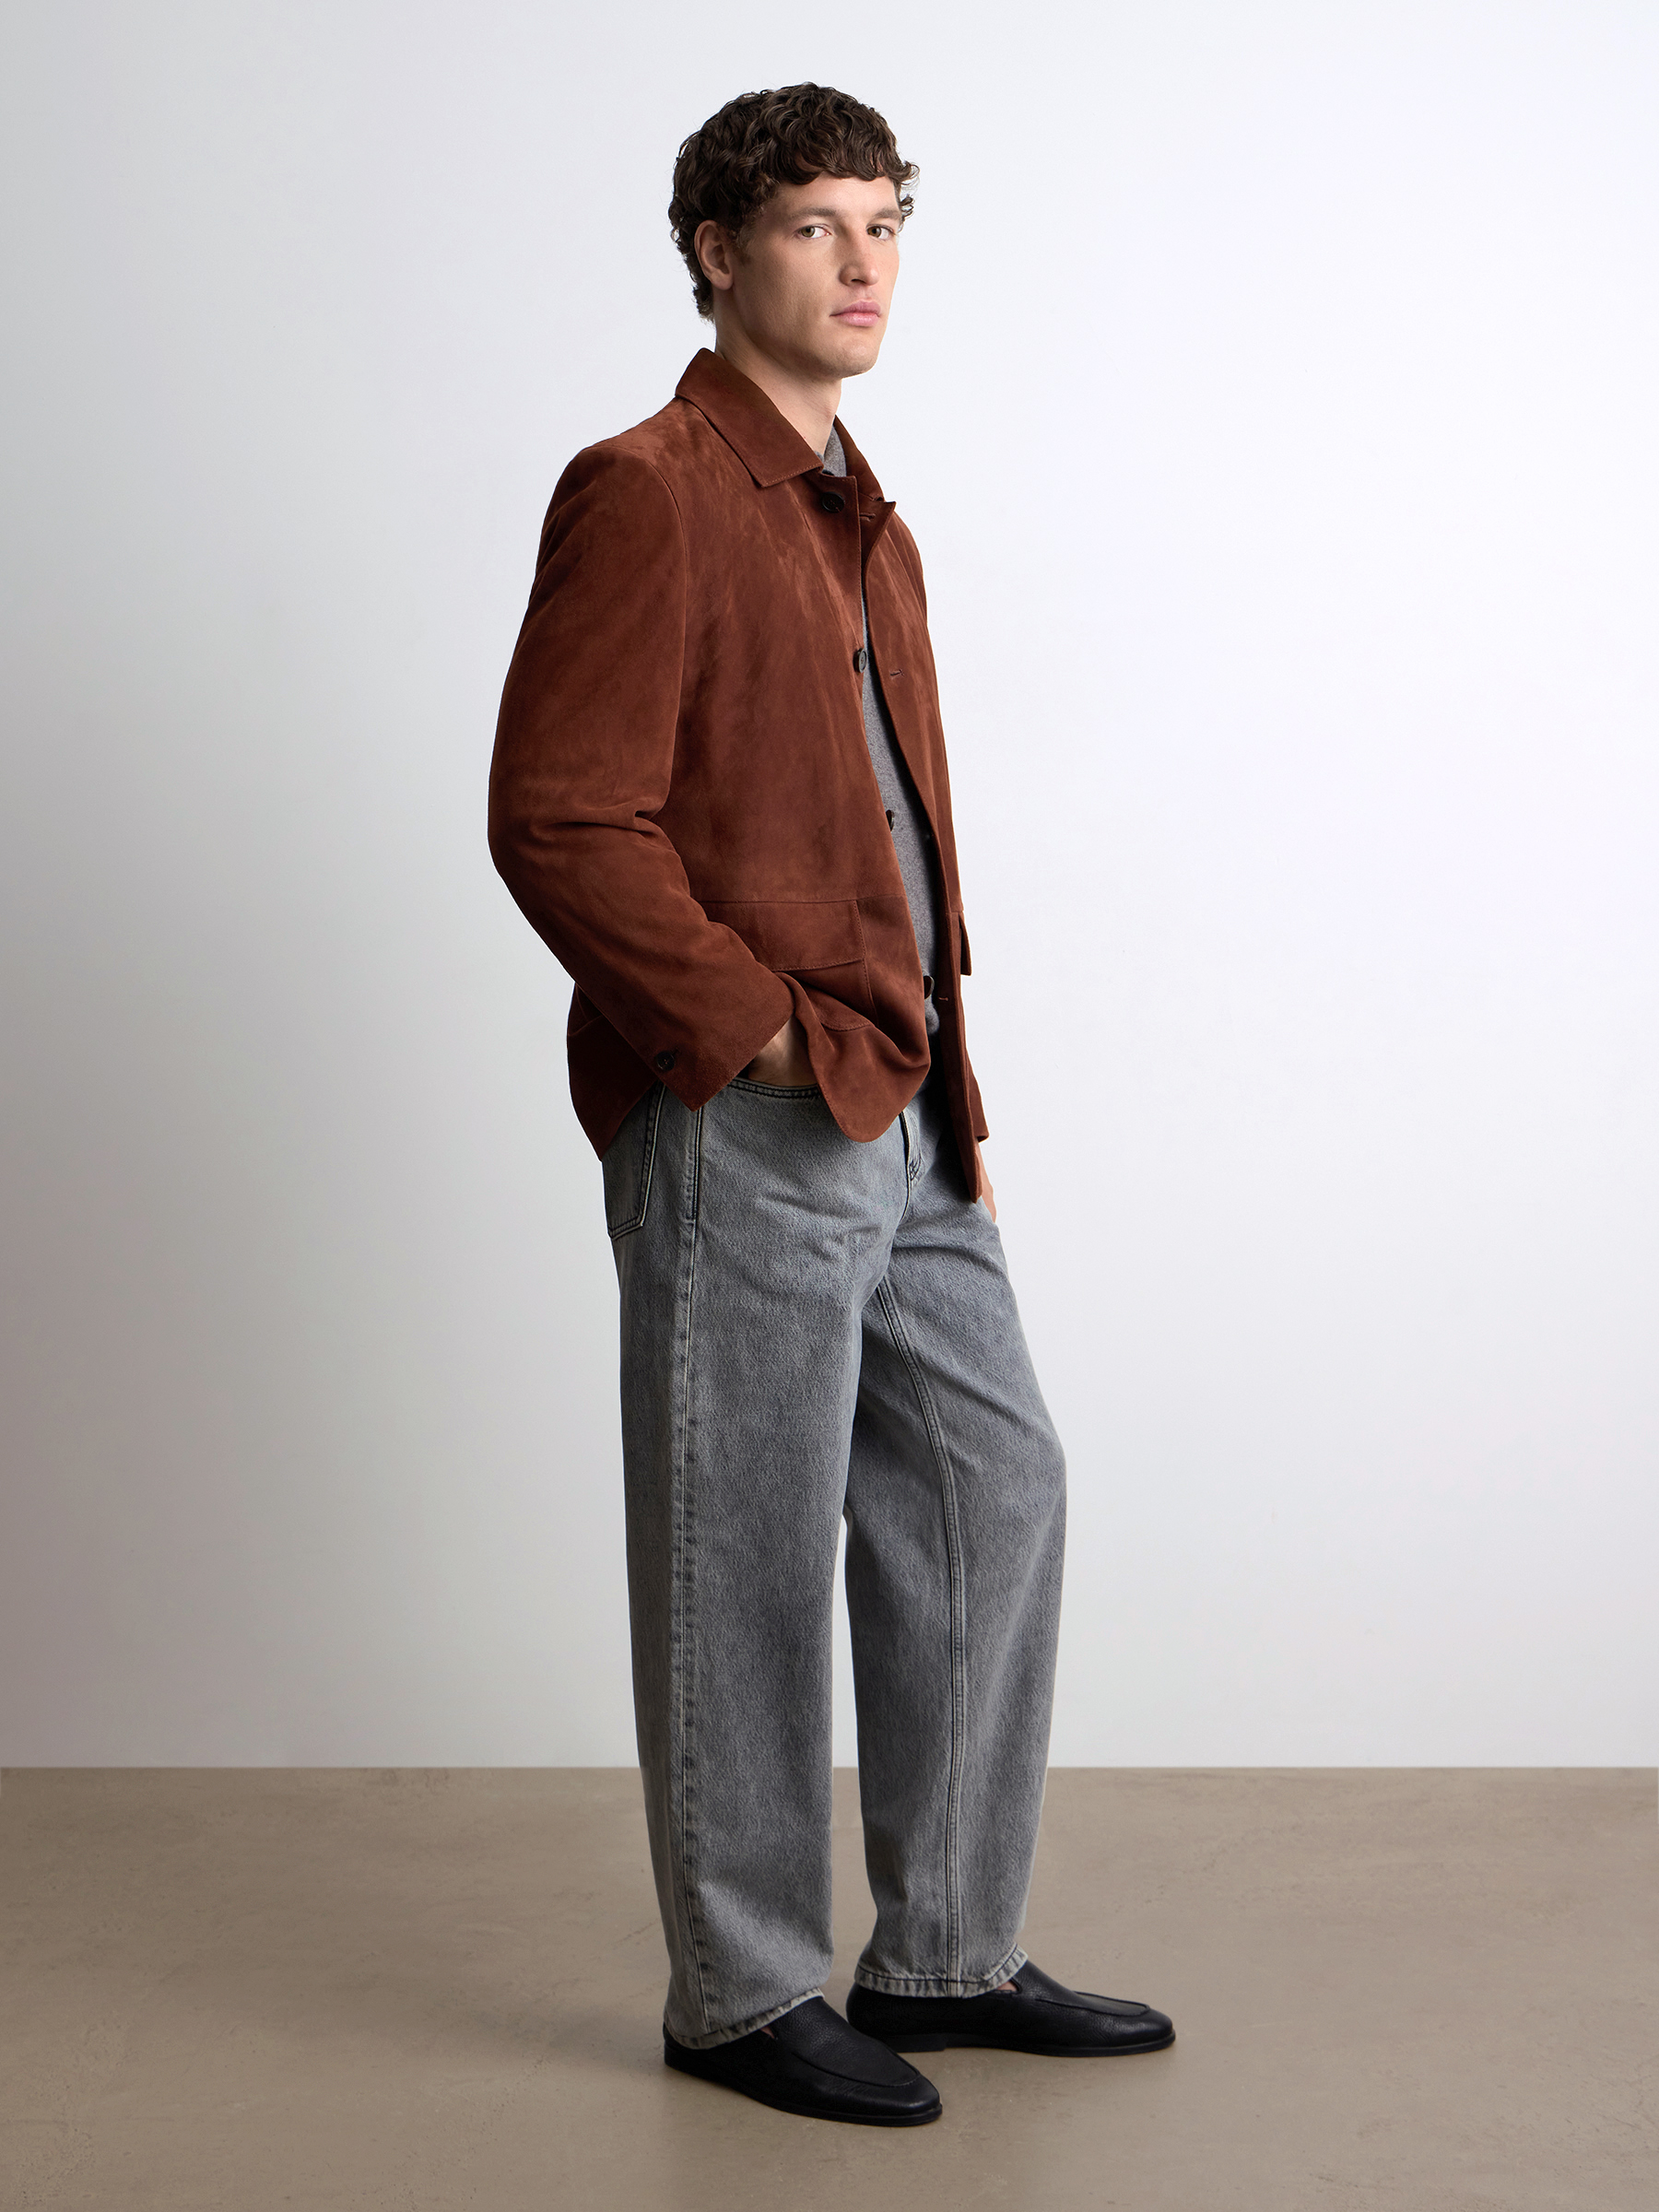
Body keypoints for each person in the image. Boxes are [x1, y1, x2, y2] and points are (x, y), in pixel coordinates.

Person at [488, 82, 1174, 2126]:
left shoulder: (868, 513)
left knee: (994, 1486)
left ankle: (945, 1948)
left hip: (909, 1103)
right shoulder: (648, 490)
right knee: (746, 1555)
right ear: (718, 253)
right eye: (817, 226)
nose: (866, 264)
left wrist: (939, 1088)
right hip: (753, 1114)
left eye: (886, 224)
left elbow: (888, 836)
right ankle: (741, 1992)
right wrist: (755, 1034)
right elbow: (560, 816)